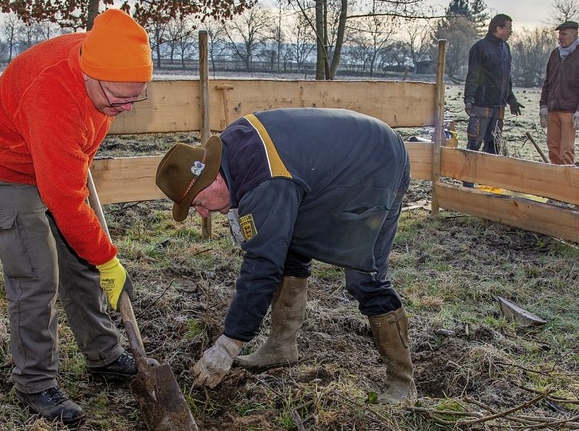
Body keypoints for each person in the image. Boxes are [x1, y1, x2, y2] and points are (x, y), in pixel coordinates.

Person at [156, 107, 417, 404]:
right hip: (333, 165)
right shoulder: (230, 155)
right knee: (289, 242)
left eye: (198, 203)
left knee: (365, 277)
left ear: (213, 180)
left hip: (375, 162)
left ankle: (402, 382)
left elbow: (261, 266)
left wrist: (230, 343)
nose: (203, 212)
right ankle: (281, 347)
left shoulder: (263, 179)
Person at [0, 9, 153, 427]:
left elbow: (71, 169)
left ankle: (103, 356)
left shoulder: (106, 74)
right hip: (7, 165)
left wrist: (96, 258)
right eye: (118, 98)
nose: (124, 107)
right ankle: (35, 383)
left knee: (81, 266)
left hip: (56, 161)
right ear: (90, 73)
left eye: (135, 97)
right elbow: (65, 200)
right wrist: (109, 257)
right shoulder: (53, 93)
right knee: (36, 275)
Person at [464, 14, 523, 159]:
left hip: (499, 108)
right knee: (474, 145)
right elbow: (473, 75)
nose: (511, 32)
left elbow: (506, 77)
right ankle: (468, 181)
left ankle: (488, 181)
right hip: (481, 106)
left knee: (494, 147)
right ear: (498, 28)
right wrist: (469, 98)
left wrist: (511, 99)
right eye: (509, 28)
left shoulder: (506, 48)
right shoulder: (480, 48)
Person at [539, 21, 579, 165]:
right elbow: (548, 82)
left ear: (574, 34)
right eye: (559, 34)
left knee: (566, 150)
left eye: (564, 34)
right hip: (553, 109)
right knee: (553, 148)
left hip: (570, 111)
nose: (560, 37)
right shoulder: (555, 54)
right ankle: (555, 181)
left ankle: (567, 181)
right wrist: (543, 106)